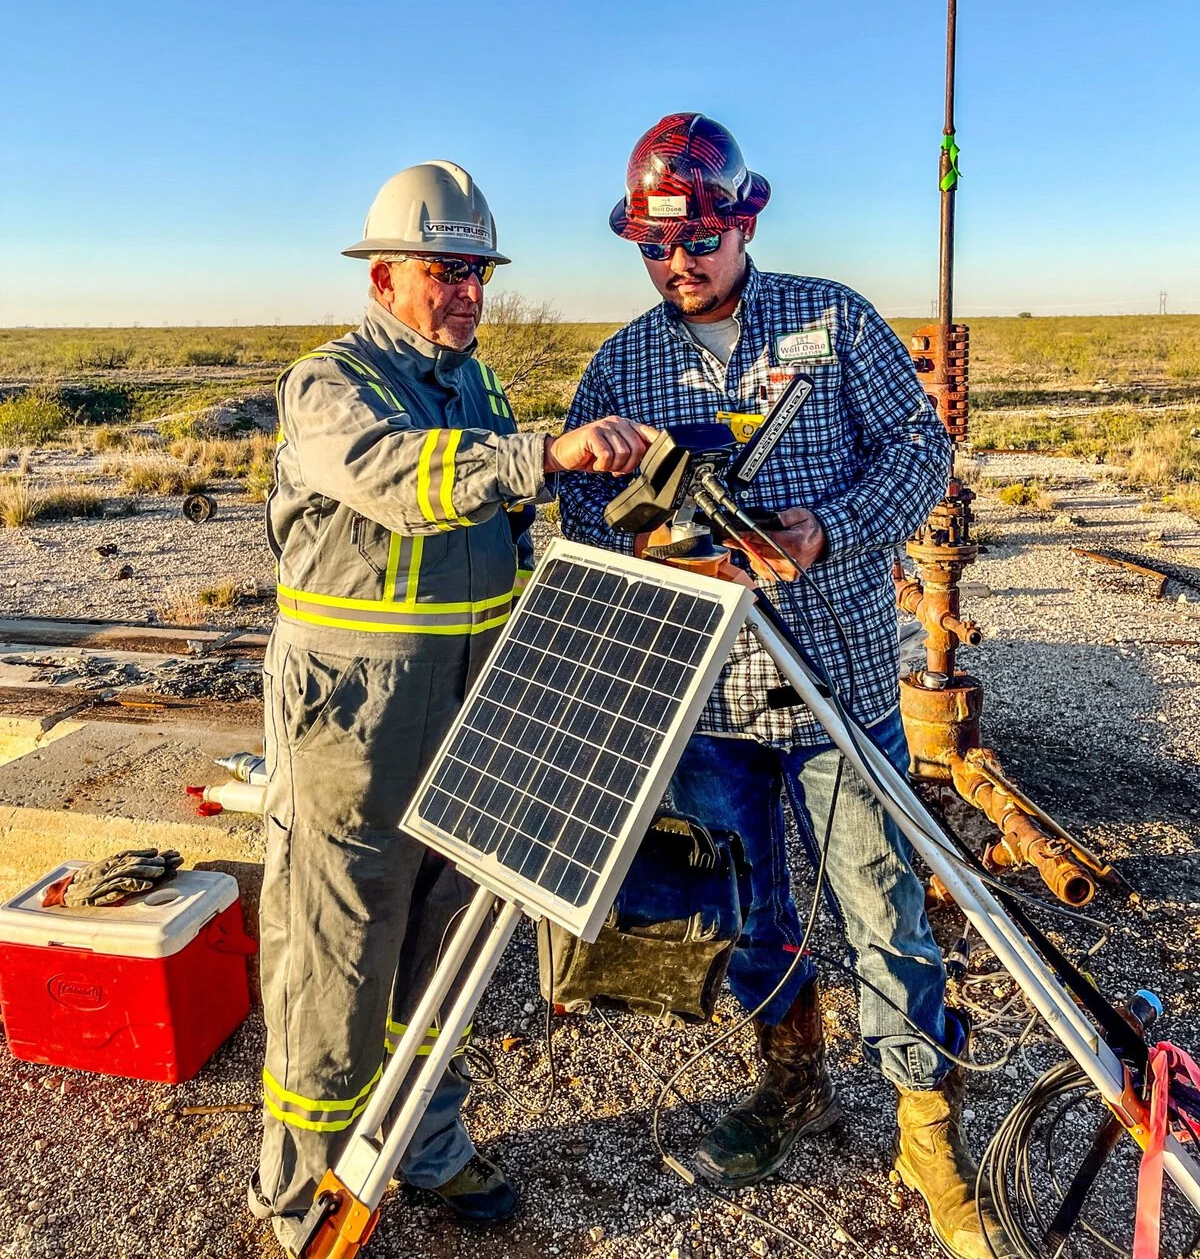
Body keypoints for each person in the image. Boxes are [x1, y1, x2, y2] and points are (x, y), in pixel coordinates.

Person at [557, 114, 997, 1259]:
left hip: (839, 682)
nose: (678, 263)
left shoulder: (834, 320)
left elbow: (920, 450)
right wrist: (646, 544)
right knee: (751, 913)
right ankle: (788, 1083)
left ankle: (925, 1123)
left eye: (699, 237)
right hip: (709, 701)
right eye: (655, 247)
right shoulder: (623, 364)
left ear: (744, 220)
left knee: (882, 905)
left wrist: (828, 530)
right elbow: (576, 515)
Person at [250, 160, 653, 1254]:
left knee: (443, 946)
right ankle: (307, 1195)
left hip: (470, 714)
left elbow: (511, 521)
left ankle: (423, 1147)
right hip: (356, 727)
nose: (467, 289)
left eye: (477, 269)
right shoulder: (330, 386)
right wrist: (540, 456)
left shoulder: (479, 390)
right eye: (446, 268)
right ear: (384, 275)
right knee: (337, 959)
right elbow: (397, 478)